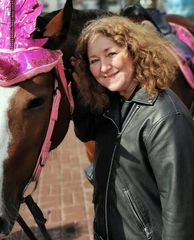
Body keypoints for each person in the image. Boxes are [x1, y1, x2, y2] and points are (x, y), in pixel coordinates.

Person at [70, 15, 194, 240]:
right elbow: (84, 132)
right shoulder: (113, 103)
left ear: (135, 51)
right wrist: (81, 93)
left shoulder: (165, 118)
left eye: (111, 54)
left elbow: (181, 213)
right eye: (94, 60)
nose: (104, 67)